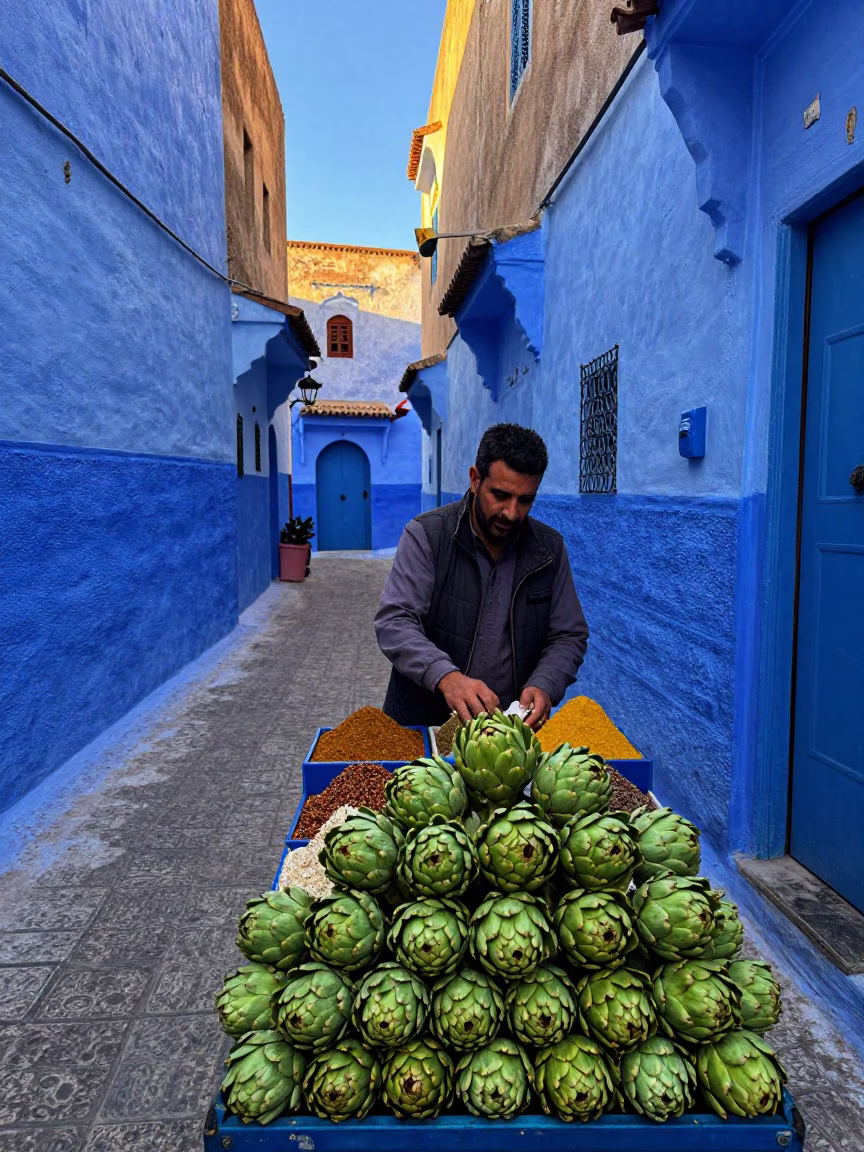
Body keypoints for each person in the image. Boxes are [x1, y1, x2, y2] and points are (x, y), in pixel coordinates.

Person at [374, 423, 589, 729]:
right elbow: (395, 622)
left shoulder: (549, 549)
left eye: (525, 500)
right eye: (500, 495)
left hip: (505, 739)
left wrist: (545, 682)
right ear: (475, 480)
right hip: (423, 728)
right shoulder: (427, 536)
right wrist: (446, 676)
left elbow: (569, 635)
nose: (511, 513)